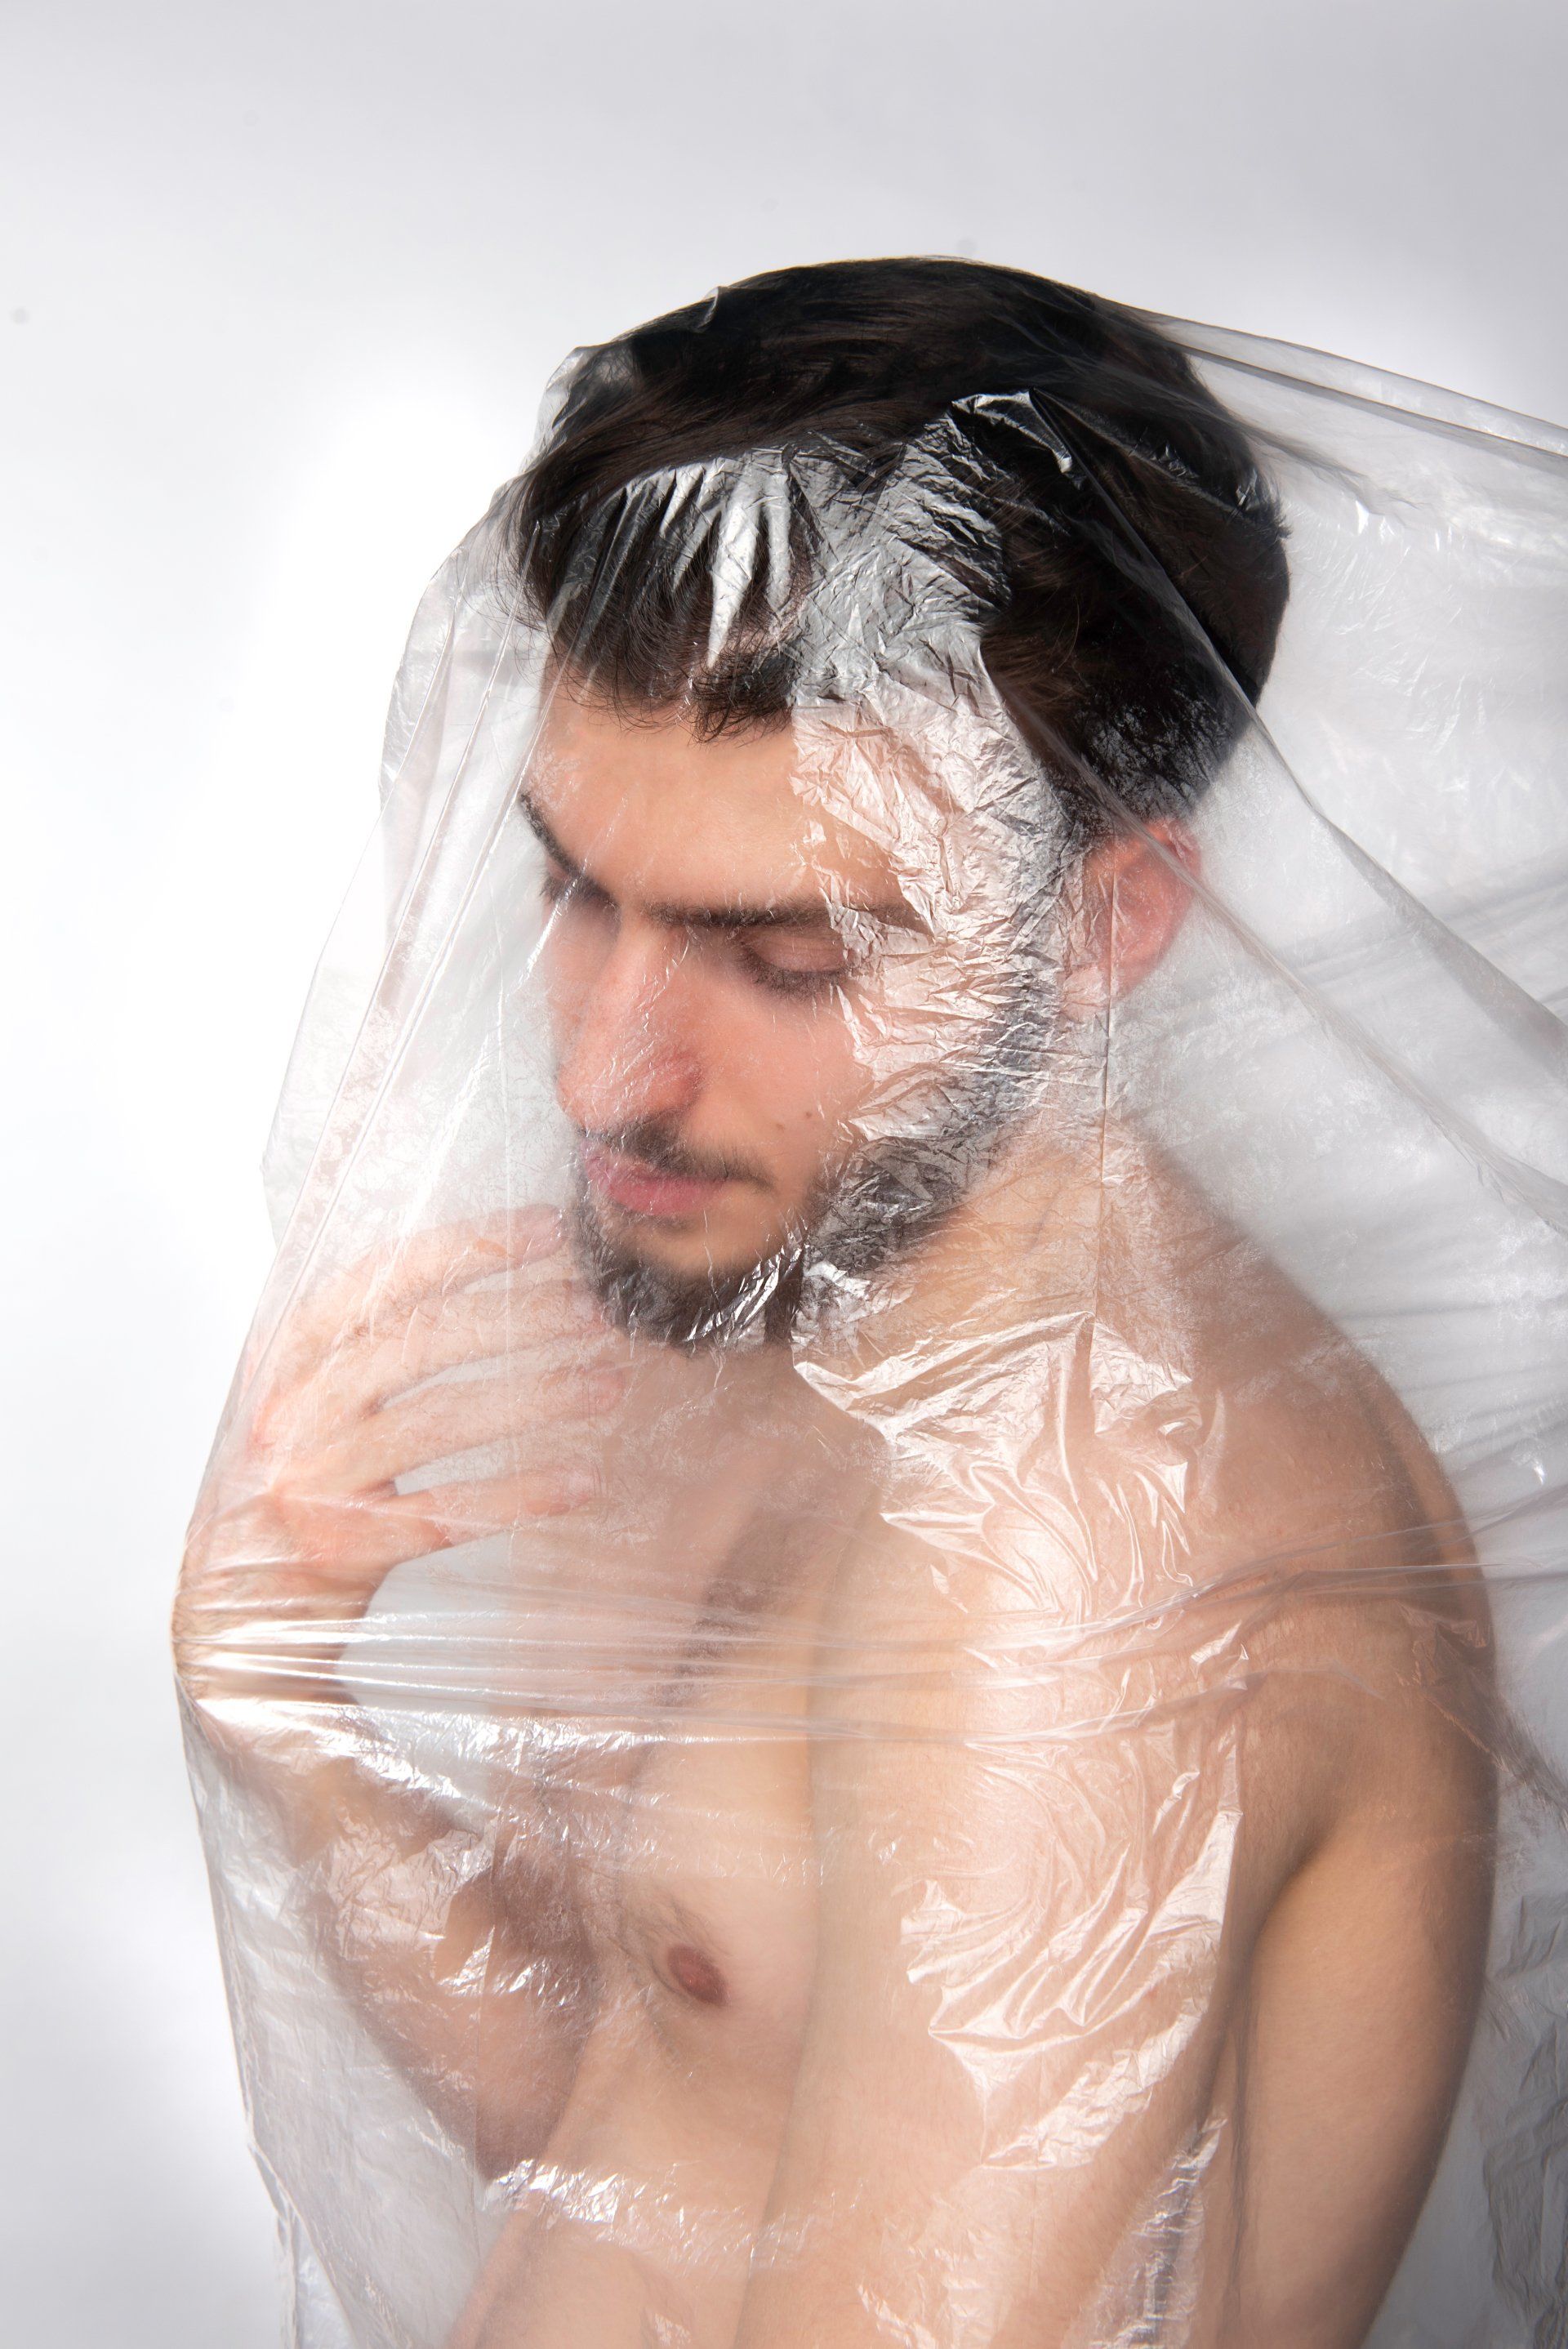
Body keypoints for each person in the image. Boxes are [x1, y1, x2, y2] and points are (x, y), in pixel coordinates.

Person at [175, 261, 1497, 2347]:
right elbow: (641, 2121)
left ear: (1107, 919)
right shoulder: (827, 1320)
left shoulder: (1097, 1551)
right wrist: (294, 1725)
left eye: (774, 955)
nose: (607, 1070)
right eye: (570, 888)